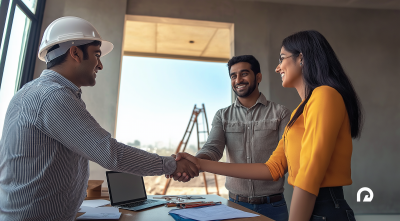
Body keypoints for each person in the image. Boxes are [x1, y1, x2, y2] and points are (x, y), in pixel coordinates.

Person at [0, 16, 198, 220]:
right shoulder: (53, 96)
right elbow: (109, 153)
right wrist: (171, 165)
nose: (100, 65)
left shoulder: (34, 92)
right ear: (75, 53)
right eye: (96, 54)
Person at [173, 30, 363, 221]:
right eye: (233, 76)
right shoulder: (300, 112)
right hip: (308, 208)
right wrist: (198, 162)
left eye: (282, 58)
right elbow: (272, 168)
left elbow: (309, 175)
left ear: (301, 59)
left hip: (323, 209)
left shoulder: (324, 96)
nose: (278, 68)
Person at [170, 55, 291, 221]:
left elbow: (284, 163)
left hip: (273, 206)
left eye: (244, 74)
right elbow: (212, 148)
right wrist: (192, 164)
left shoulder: (281, 113)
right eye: (233, 76)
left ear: (258, 77)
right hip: (235, 205)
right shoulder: (222, 115)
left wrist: (196, 164)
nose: (238, 80)